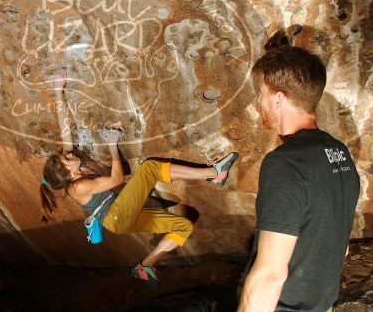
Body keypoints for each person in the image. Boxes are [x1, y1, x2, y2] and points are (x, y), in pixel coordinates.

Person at [202, 44, 360, 312]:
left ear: (278, 97)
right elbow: (339, 249)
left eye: (259, 96)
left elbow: (272, 272)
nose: (259, 106)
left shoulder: (286, 164)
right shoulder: (339, 155)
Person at [40, 65, 239, 288]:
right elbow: (116, 180)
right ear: (69, 175)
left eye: (64, 154)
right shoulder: (78, 187)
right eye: (66, 159)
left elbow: (63, 125)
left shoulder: (72, 168)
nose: (68, 154)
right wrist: (112, 146)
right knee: (149, 168)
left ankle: (146, 266)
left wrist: (58, 88)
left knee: (183, 226)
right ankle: (213, 173)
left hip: (122, 219)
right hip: (116, 216)